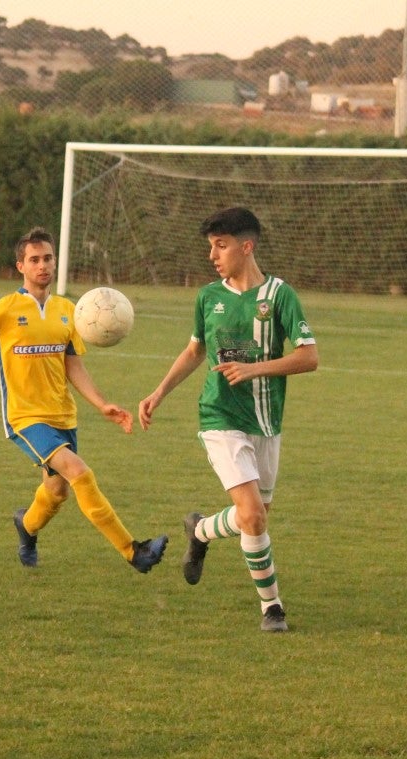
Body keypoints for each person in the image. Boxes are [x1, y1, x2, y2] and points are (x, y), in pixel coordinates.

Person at [139, 207, 318, 632]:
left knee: (255, 516)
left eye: (221, 246)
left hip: (266, 421)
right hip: (219, 415)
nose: (213, 255)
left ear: (246, 246)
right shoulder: (208, 297)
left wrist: (255, 368)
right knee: (253, 515)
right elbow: (196, 350)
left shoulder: (279, 297)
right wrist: (159, 392)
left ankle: (200, 530)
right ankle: (271, 608)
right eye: (211, 247)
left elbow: (309, 356)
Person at [0, 226, 168, 574]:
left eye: (48, 258)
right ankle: (133, 551)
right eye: (34, 260)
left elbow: (73, 364)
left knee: (57, 492)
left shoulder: (70, 311)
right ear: (20, 265)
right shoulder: (3, 309)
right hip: (24, 418)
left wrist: (101, 404)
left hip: (63, 416)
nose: (43, 266)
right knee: (79, 473)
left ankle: (27, 525)